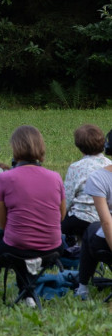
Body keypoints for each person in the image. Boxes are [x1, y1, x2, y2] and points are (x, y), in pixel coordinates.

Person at [0, 125, 65, 307]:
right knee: (24, 238)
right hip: (52, 249)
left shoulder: (4, 178)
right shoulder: (55, 177)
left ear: (15, 148)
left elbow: (0, 222)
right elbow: (61, 216)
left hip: (15, 249)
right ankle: (28, 294)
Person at [62, 124, 109, 244]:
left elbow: (66, 200)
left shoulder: (76, 168)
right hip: (106, 218)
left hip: (81, 220)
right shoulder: (109, 165)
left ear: (79, 146)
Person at [75, 157, 112, 300]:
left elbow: (106, 222)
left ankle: (83, 287)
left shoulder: (99, 177)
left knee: (92, 229)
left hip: (107, 242)